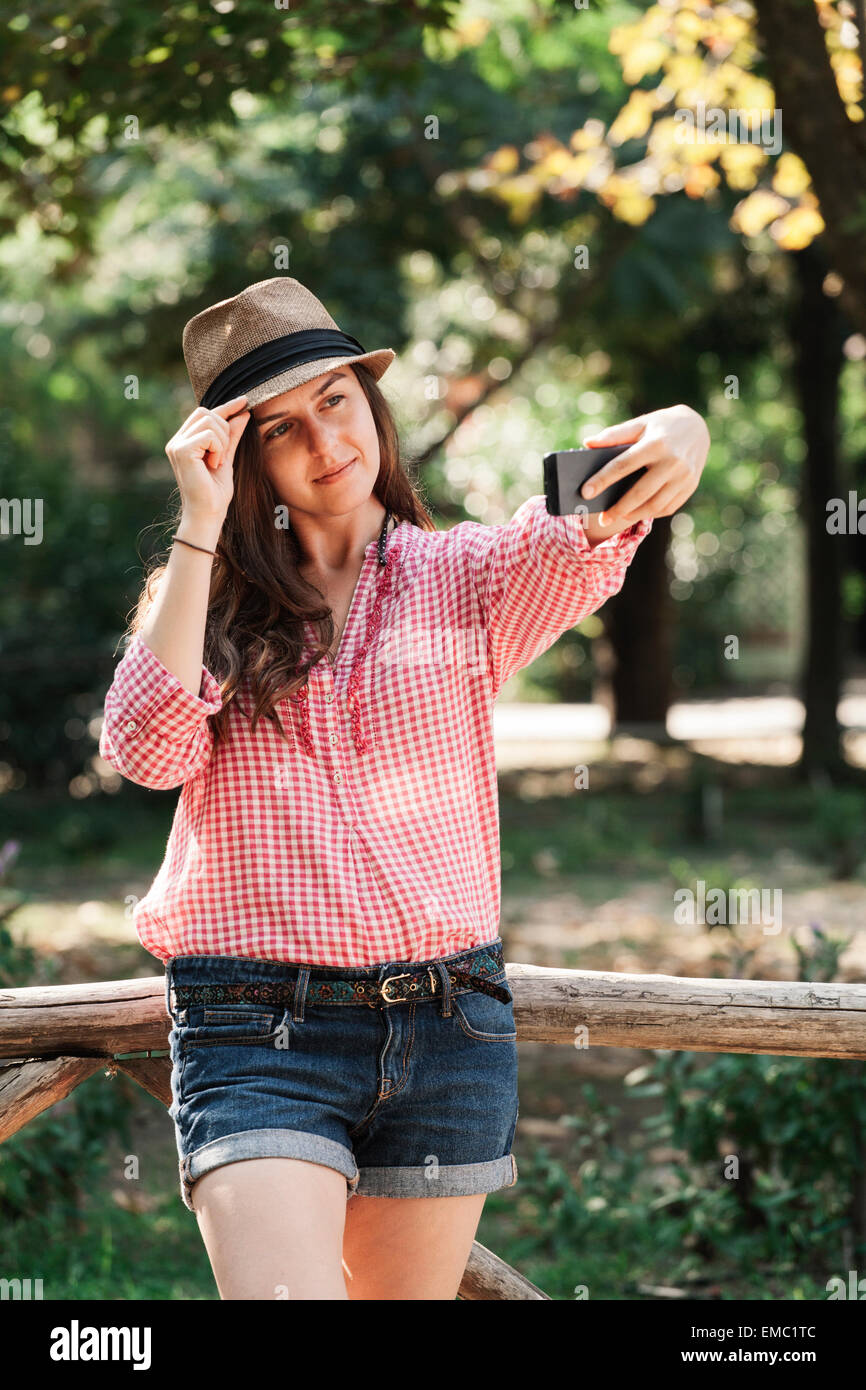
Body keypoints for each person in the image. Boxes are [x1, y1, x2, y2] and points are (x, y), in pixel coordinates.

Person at [98, 276, 709, 1300]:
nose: (322, 441)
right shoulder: (203, 596)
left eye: (334, 399)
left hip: (443, 1023)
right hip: (256, 1029)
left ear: (368, 400)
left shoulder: (465, 576)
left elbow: (581, 522)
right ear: (242, 461)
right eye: (280, 428)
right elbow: (147, 750)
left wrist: (684, 428)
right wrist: (198, 525)